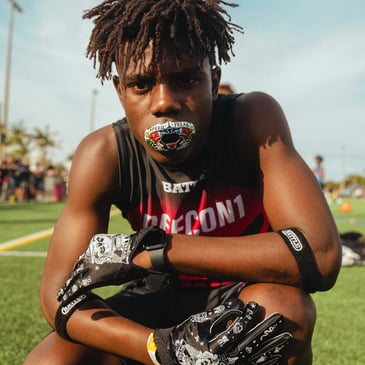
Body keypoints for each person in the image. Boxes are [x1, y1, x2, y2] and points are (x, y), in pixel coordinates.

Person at [24, 1, 342, 365]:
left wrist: (154, 250)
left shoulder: (251, 119)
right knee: (50, 361)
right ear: (118, 91)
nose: (164, 102)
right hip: (157, 299)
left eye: (186, 79)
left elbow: (320, 255)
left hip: (242, 289)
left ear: (215, 81)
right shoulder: (103, 153)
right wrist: (160, 347)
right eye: (141, 84)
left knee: (284, 312)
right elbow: (57, 298)